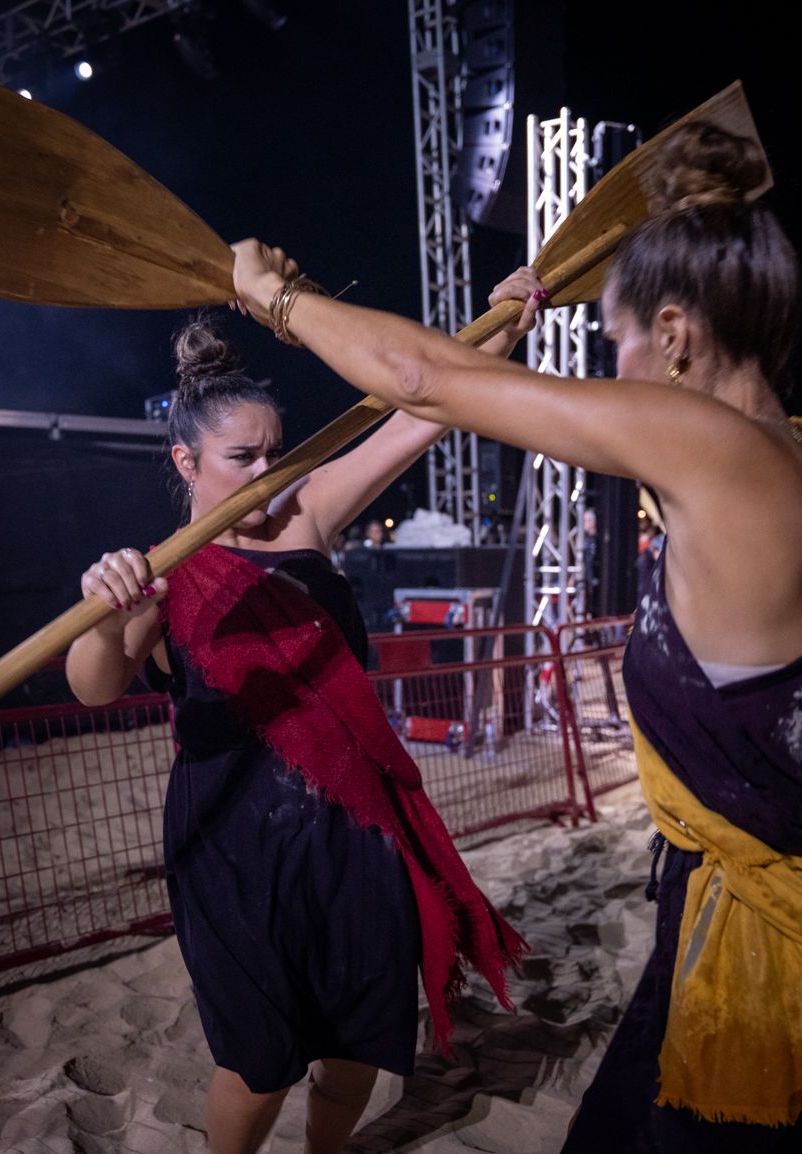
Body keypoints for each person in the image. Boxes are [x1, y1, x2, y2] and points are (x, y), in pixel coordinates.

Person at [225, 120, 802, 1151]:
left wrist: (276, 298)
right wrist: (504, 329)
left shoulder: (719, 453)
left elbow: (424, 381)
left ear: (677, 333)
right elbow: (459, 386)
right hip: (791, 936)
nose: (613, 367)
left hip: (779, 979)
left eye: (617, 341)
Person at [65, 297, 536, 1154]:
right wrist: (105, 616)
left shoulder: (306, 517)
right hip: (232, 847)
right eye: (241, 457)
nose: (265, 473)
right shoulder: (159, 573)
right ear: (186, 461)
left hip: (351, 830)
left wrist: (505, 321)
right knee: (260, 1062)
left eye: (274, 452)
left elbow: (422, 413)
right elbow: (93, 687)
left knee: (356, 1043)